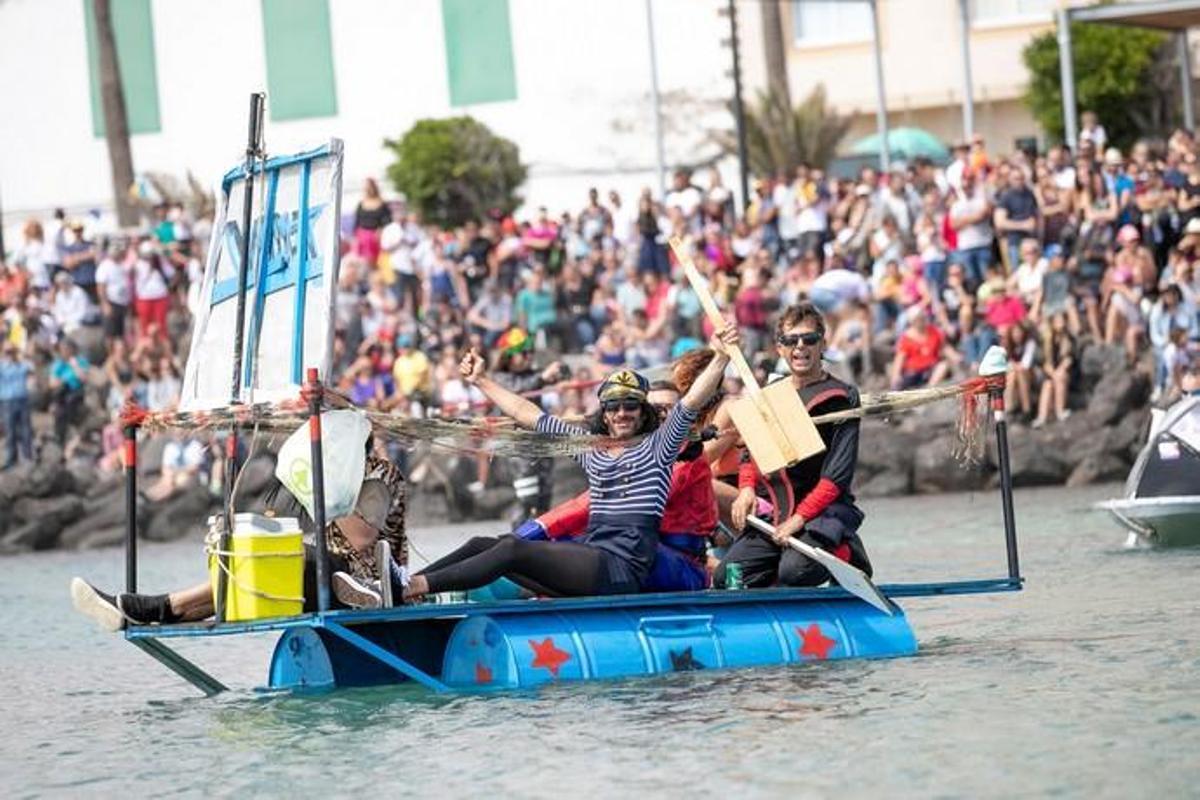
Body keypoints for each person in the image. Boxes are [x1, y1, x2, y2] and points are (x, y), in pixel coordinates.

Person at [400, 324, 738, 602]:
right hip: (592, 555)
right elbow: (528, 414)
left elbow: (692, 401)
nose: (622, 413)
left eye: (630, 406)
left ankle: (415, 587)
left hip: (621, 568)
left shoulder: (659, 447)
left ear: (642, 412)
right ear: (604, 414)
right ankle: (404, 587)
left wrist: (721, 356)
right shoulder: (591, 449)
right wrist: (481, 380)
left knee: (513, 549)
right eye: (614, 406)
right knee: (485, 544)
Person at [70, 455, 407, 629]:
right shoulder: (335, 472)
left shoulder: (378, 473)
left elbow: (360, 538)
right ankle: (147, 610)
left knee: (283, 557)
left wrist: (327, 490)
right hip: (321, 575)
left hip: (361, 582)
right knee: (260, 561)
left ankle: (153, 608)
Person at [714, 302, 871, 589]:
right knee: (728, 578)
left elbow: (837, 476)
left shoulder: (841, 396)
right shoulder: (770, 394)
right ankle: (775, 577)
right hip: (775, 514)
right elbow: (750, 452)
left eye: (809, 339)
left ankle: (849, 552)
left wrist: (798, 520)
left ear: (822, 344)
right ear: (780, 348)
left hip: (822, 515)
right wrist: (746, 488)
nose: (800, 346)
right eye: (791, 340)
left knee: (796, 573)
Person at [0, 342, 34, 469]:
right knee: (10, 431)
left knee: (26, 430)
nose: (10, 354)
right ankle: (11, 459)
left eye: (12, 351)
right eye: (7, 352)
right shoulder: (1, 366)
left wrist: (22, 355)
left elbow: (32, 370)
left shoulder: (23, 365)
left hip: (22, 400)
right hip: (7, 401)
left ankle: (27, 457)